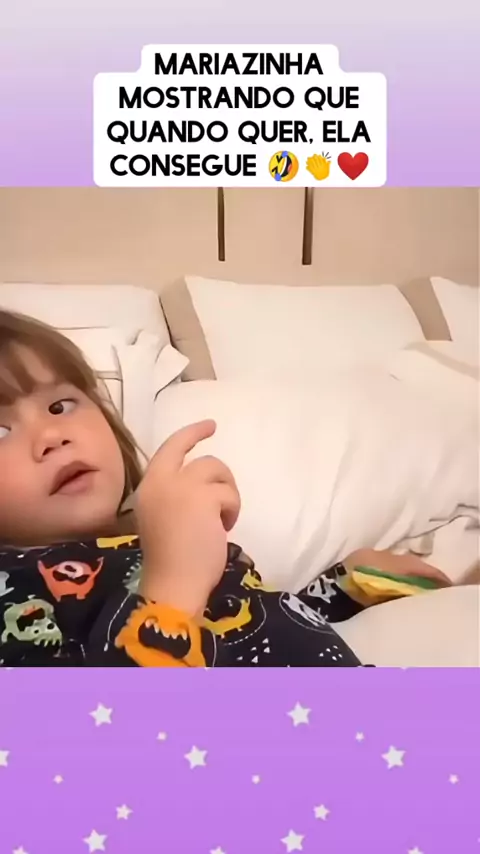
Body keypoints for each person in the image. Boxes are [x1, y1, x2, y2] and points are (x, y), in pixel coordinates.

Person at [0, 310, 452, 668]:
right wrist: (172, 590)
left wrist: (343, 584)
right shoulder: (13, 588)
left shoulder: (162, 533)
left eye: (60, 406)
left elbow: (255, 628)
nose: (51, 436)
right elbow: (87, 740)